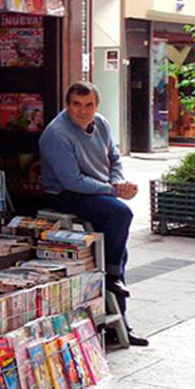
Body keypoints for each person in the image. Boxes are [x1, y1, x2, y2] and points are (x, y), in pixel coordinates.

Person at [39, 81, 148, 346]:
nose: (83, 111)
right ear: (68, 105)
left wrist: (119, 183)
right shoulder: (56, 134)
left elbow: (115, 158)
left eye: (88, 105)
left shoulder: (102, 124)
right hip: (66, 194)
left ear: (96, 106)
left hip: (99, 189)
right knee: (120, 215)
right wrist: (113, 191)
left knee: (117, 248)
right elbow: (72, 181)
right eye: (76, 104)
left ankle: (119, 319)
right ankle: (112, 276)